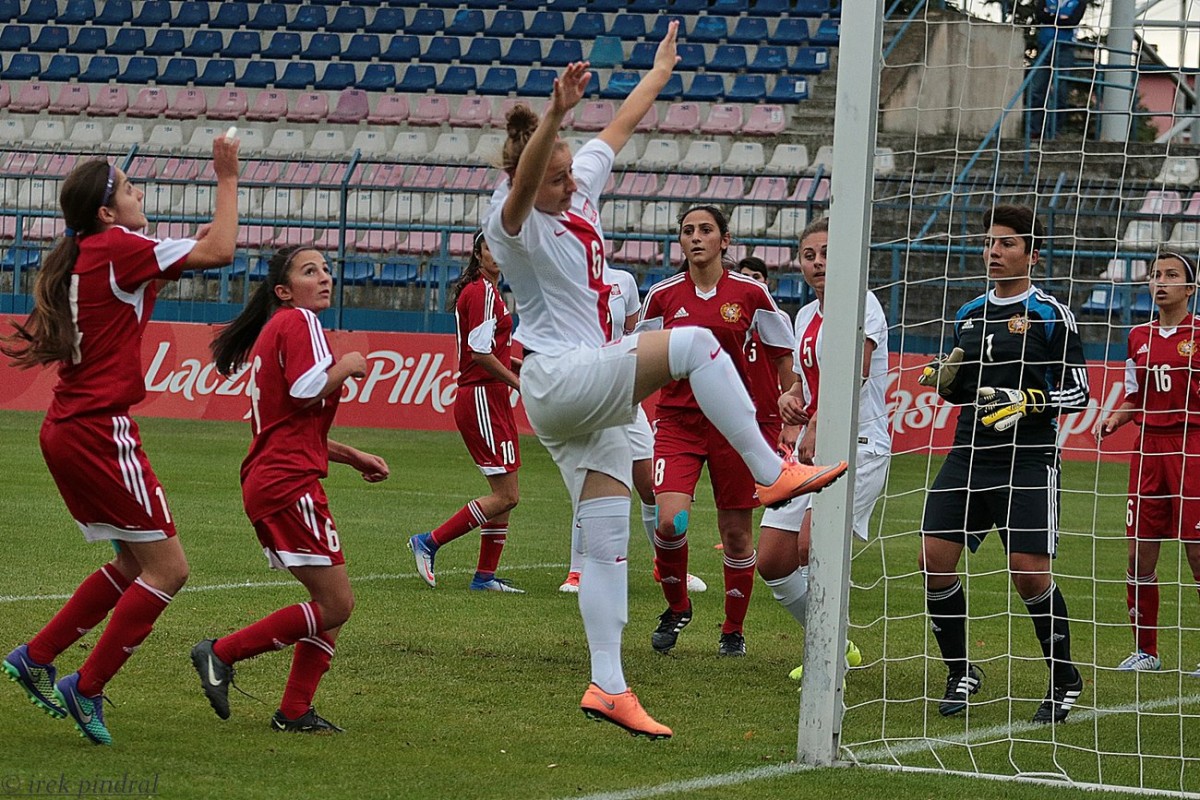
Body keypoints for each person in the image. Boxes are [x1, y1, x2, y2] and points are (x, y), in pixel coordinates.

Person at [482, 30, 846, 739]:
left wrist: (658, 72)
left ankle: (607, 685)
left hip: (585, 391)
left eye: (566, 175)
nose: (565, 185)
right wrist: (554, 117)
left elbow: (618, 128)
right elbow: (527, 184)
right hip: (562, 375)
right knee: (696, 343)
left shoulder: (577, 180)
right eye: (553, 176)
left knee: (606, 541)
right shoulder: (510, 220)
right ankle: (772, 472)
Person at [0, 136, 240, 745]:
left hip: (68, 428)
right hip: (99, 428)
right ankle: (87, 686)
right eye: (130, 188)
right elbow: (220, 249)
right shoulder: (116, 247)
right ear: (107, 212)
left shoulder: (88, 250)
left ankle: (38, 656)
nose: (141, 194)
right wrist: (228, 176)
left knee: (133, 563)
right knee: (169, 569)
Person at [194, 245, 390, 734]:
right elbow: (306, 391)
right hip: (286, 484)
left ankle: (296, 710)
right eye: (309, 271)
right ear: (284, 291)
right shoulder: (297, 322)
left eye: (326, 269)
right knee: (336, 604)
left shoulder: (281, 329)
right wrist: (347, 364)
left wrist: (352, 456)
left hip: (279, 477)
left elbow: (291, 422)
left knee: (332, 605)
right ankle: (220, 652)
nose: (324, 277)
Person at [917, 204, 1090, 724]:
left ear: (1033, 255)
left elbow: (1079, 390)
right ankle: (961, 671)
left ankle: (1064, 679)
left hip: (1030, 459)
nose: (994, 252)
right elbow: (961, 385)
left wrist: (1026, 401)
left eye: (1007, 243)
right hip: (968, 451)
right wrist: (945, 381)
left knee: (1028, 573)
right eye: (989, 243)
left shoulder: (1050, 313)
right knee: (932, 559)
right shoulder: (968, 313)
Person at [639, 209, 796, 658]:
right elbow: (642, 357)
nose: (696, 238)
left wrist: (789, 408)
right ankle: (677, 607)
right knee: (670, 522)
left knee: (735, 534)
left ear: (725, 241)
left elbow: (782, 356)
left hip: (735, 427)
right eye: (688, 231)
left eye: (705, 230)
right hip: (678, 423)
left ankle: (732, 630)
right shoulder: (662, 297)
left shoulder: (751, 293)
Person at [751, 219, 891, 680]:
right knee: (772, 557)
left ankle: (824, 655)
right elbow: (801, 381)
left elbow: (857, 372)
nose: (818, 263)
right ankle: (836, 643)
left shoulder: (862, 304)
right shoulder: (805, 315)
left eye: (827, 253)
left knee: (814, 546)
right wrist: (790, 397)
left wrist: (814, 421)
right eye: (809, 255)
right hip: (811, 452)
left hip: (859, 444)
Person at [559, 265, 708, 596]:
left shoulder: (622, 280)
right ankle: (577, 571)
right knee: (592, 482)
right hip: (585, 391)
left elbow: (634, 332)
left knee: (651, 486)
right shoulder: (563, 275)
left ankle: (665, 566)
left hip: (624, 393)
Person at [1095, 250, 1200, 673]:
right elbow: (1134, 395)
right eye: (1155, 275)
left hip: (1192, 447)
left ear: (1190, 289)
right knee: (1139, 555)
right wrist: (1116, 417)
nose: (1160, 282)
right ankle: (1146, 651)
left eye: (1171, 275)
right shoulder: (1138, 335)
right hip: (1147, 451)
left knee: (1197, 555)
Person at [409, 231, 524, 593]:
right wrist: (517, 382)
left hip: (491, 396)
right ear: (478, 253)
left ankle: (484, 577)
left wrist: (518, 366)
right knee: (506, 495)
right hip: (482, 399)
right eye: (490, 247)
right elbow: (479, 354)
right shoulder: (483, 292)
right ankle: (429, 541)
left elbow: (487, 349)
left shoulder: (485, 291)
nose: (498, 254)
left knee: (505, 492)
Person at [1027, 0, 1085, 139]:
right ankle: (1035, 130)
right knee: (1037, 89)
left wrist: (1052, 16)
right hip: (1044, 47)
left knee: (1061, 91)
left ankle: (1054, 130)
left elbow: (1072, 21)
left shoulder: (1079, 2)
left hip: (1064, 48)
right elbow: (1040, 16)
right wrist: (1060, 18)